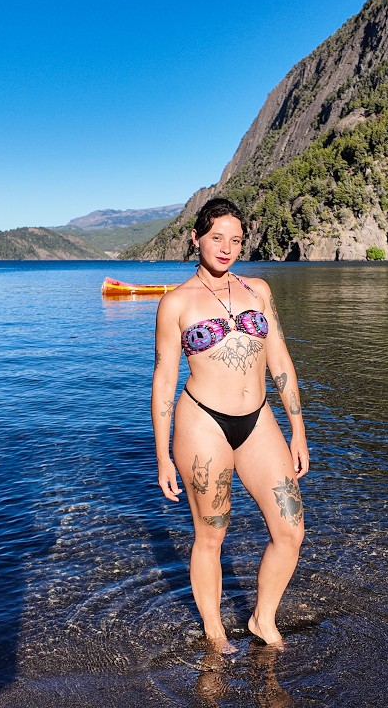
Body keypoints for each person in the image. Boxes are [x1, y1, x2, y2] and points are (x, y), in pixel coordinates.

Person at [151, 197, 309, 651]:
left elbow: (279, 359)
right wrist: (162, 455)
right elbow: (164, 383)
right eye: (217, 237)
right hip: (203, 422)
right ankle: (215, 631)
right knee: (212, 533)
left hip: (258, 419)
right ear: (196, 238)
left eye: (236, 240)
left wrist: (298, 430)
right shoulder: (176, 304)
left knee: (290, 529)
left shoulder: (258, 290)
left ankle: (263, 619)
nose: (226, 247)